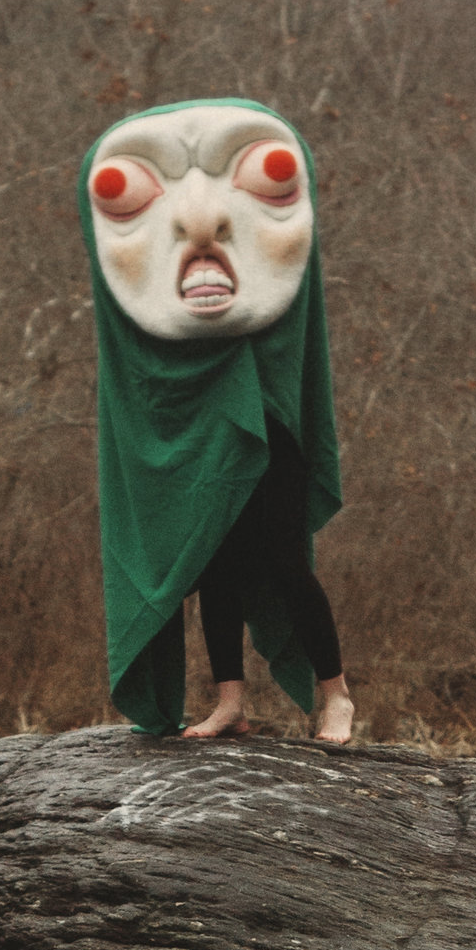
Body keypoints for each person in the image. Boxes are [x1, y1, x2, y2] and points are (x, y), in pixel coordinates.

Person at [81, 98, 355, 747]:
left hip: (266, 425)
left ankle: (336, 694)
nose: (201, 218)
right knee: (215, 569)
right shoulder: (160, 329)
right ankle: (230, 697)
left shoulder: (270, 308)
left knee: (286, 564)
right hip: (197, 434)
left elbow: (286, 336)